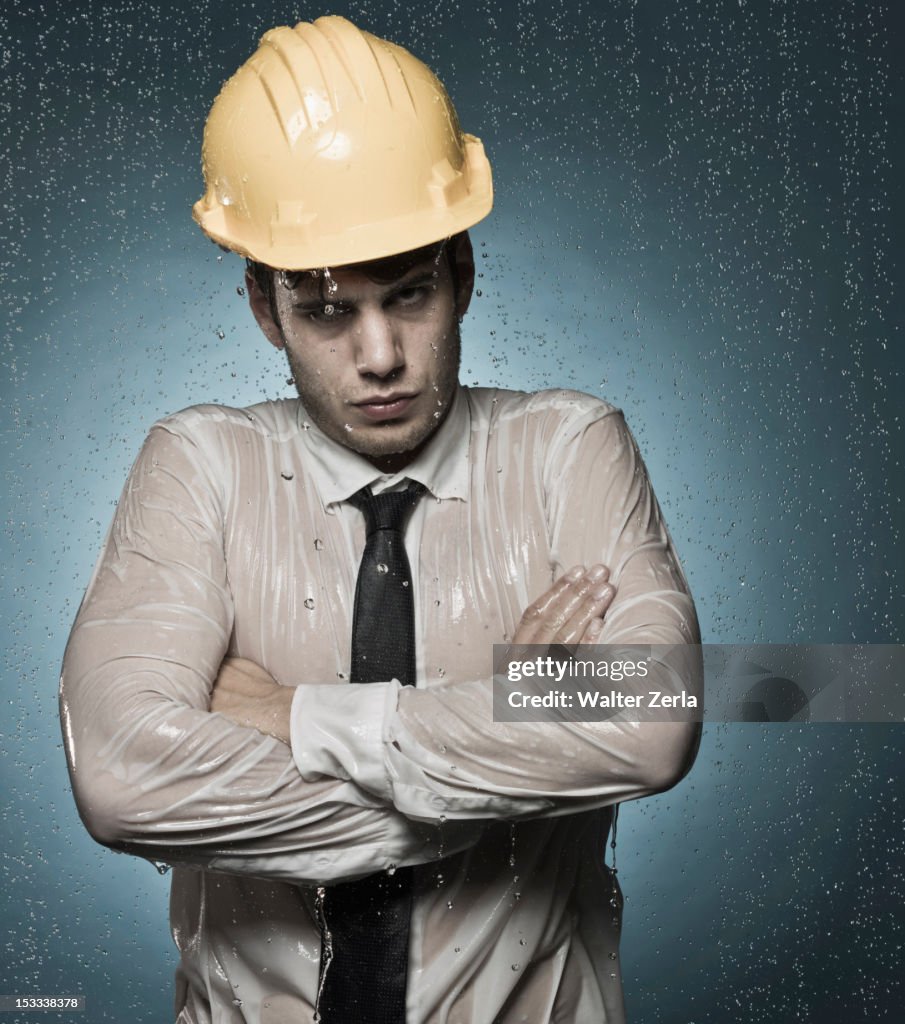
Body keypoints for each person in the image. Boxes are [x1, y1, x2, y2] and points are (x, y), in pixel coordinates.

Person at [60, 15, 701, 1024]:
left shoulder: (566, 448)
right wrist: (508, 717)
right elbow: (122, 777)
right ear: (264, 310)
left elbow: (654, 713)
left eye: (408, 295)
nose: (379, 357)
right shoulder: (199, 464)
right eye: (324, 311)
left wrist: (300, 714)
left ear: (463, 273)